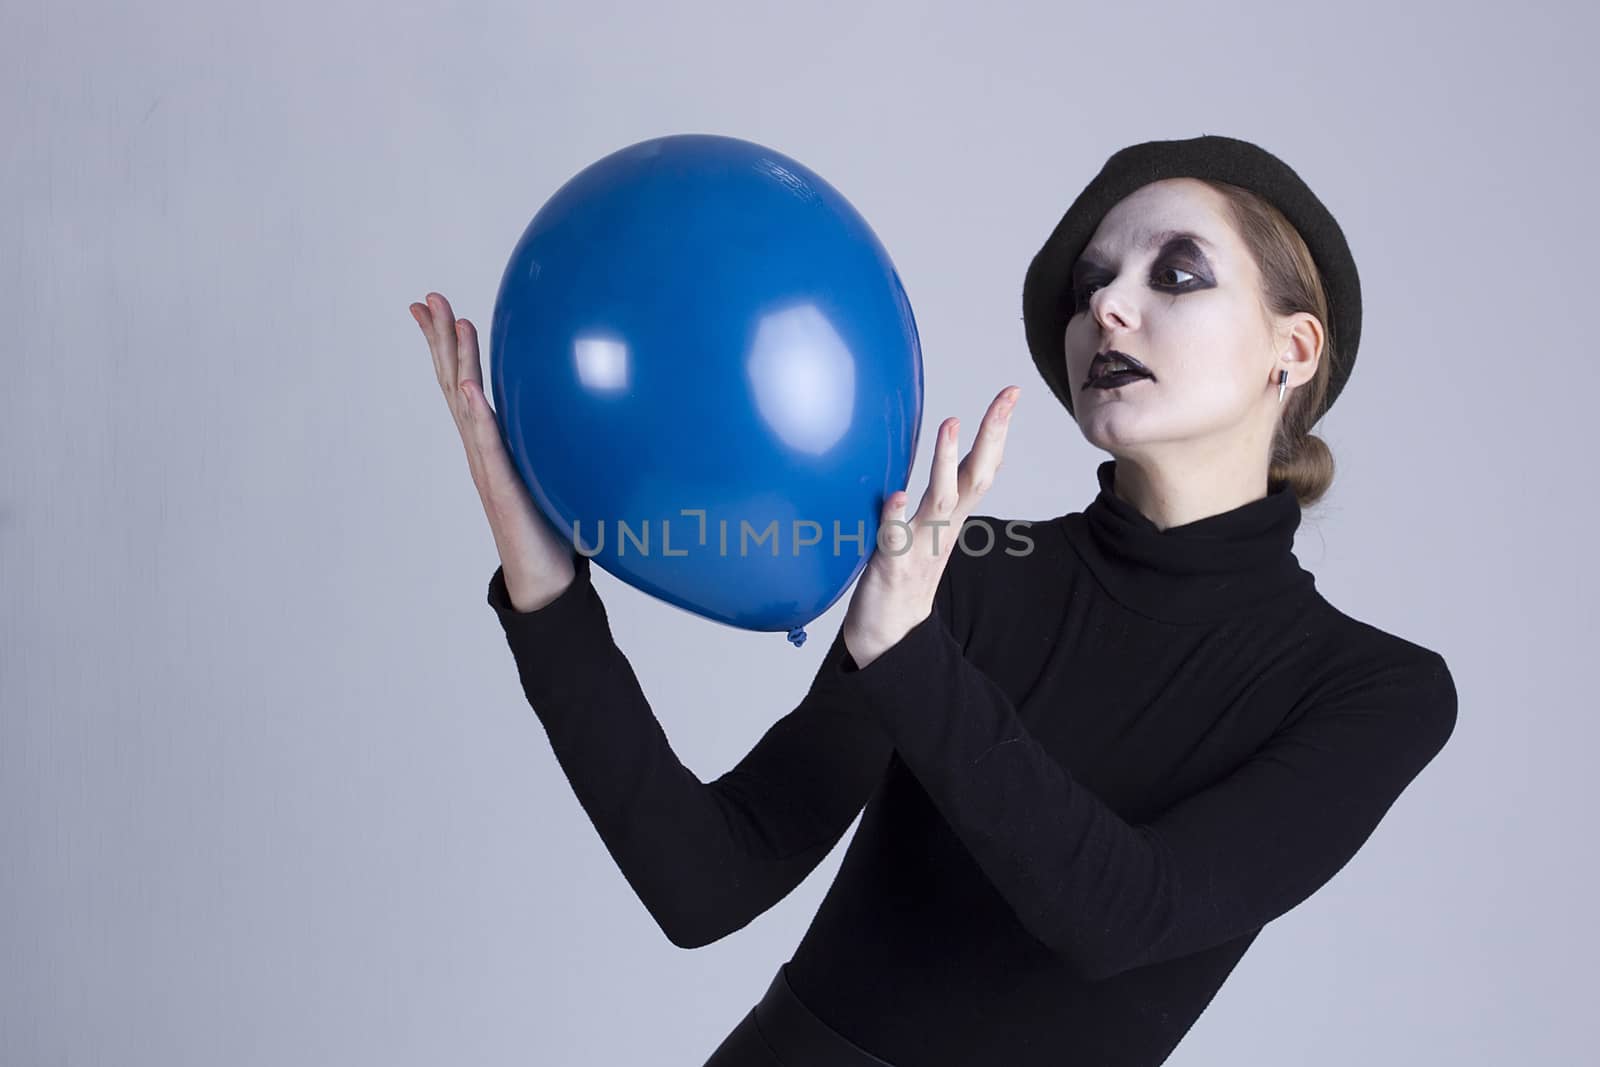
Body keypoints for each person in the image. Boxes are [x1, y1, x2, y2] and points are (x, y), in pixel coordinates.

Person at [408, 134, 1458, 1067]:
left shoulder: (1375, 690)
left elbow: (1121, 914)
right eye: (1091, 283)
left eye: (1175, 273)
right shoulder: (965, 568)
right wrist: (547, 588)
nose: (1106, 306)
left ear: (1295, 346)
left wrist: (910, 658)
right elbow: (704, 881)